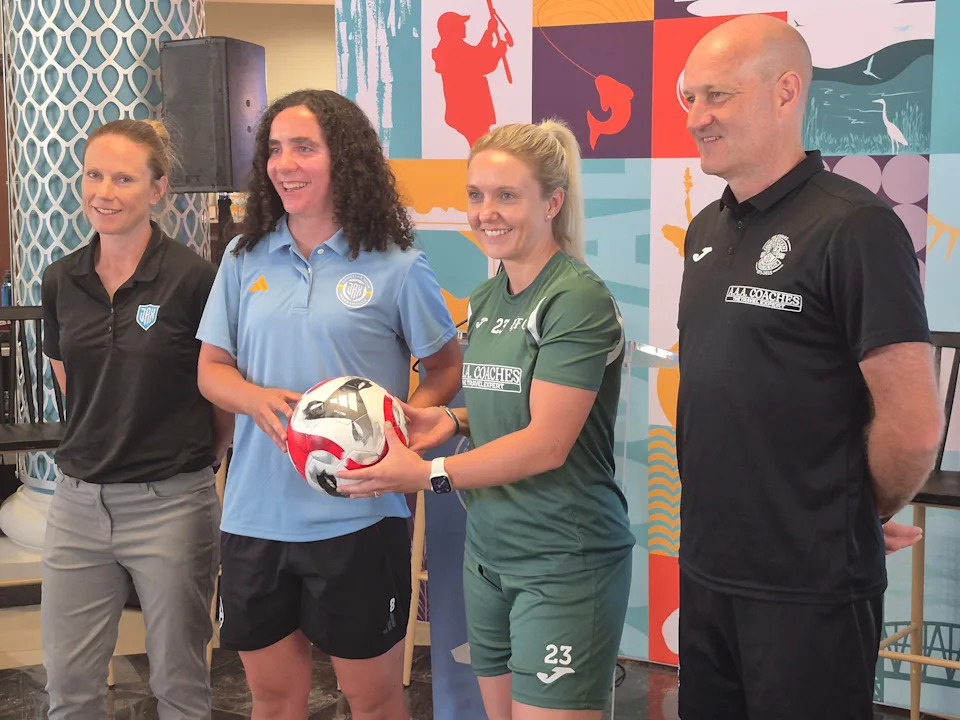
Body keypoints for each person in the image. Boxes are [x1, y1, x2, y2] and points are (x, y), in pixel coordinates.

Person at [676, 15, 944, 719]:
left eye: (717, 96)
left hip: (807, 590)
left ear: (786, 91)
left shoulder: (854, 226)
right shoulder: (706, 230)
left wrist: (847, 513)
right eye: (688, 100)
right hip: (707, 573)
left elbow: (914, 427)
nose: (697, 117)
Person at [338, 119, 635, 720]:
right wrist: (453, 418)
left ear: (552, 202)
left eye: (506, 195)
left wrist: (425, 475)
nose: (485, 212)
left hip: (563, 560)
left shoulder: (576, 298)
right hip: (489, 553)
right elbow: (516, 407)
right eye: (476, 195)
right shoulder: (488, 295)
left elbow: (547, 443)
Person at [195, 89, 462, 720]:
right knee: (273, 699)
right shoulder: (241, 258)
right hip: (255, 518)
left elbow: (445, 368)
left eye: (304, 148)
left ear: (344, 158)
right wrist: (254, 398)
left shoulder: (398, 266)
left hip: (358, 523)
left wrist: (400, 433)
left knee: (371, 700)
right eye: (275, 149)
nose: (285, 163)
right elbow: (210, 371)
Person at [40, 119, 231, 719]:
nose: (105, 191)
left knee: (179, 683)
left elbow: (219, 392)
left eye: (124, 178)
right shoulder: (60, 278)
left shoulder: (195, 279)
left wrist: (200, 468)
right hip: (77, 504)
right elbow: (69, 378)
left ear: (158, 189)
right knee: (69, 689)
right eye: (95, 174)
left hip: (171, 503)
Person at [433, 11, 510, 147]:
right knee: (482, 148)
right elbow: (482, 63)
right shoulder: (452, 48)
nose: (464, 27)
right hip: (468, 113)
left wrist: (489, 32)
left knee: (481, 148)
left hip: (467, 111)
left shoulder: (452, 46)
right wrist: (498, 51)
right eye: (461, 24)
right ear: (452, 28)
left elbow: (477, 55)